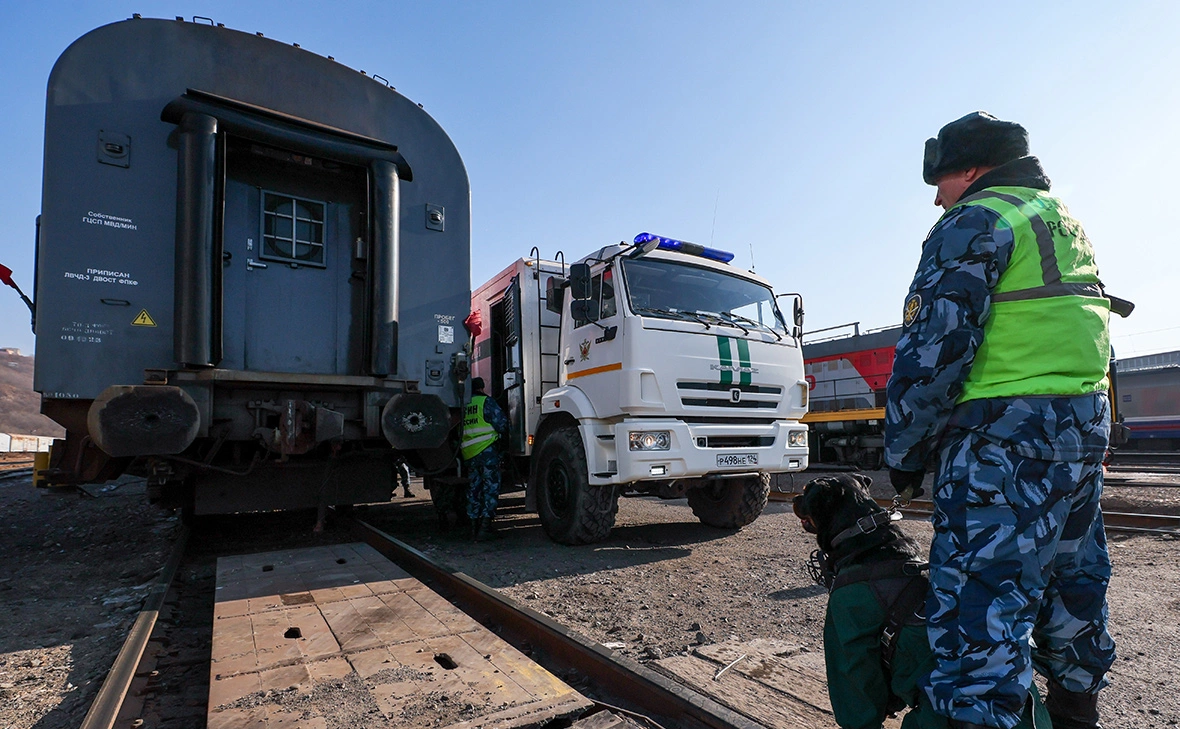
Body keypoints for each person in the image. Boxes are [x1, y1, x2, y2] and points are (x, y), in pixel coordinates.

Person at [884, 112, 1126, 729]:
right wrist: (1097, 430)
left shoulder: (974, 218)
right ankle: (1077, 714)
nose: (936, 195)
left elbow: (934, 349)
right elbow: (1090, 332)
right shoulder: (1061, 221)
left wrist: (905, 454)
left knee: (981, 610)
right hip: (1075, 436)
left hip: (1001, 441)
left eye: (940, 179)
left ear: (969, 168)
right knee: (1074, 588)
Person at [460, 377, 509, 541]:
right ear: (482, 388)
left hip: (470, 454)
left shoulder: (466, 405)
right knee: (490, 488)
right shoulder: (486, 402)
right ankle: (485, 528)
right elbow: (501, 424)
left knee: (474, 489)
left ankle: (473, 527)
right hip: (487, 452)